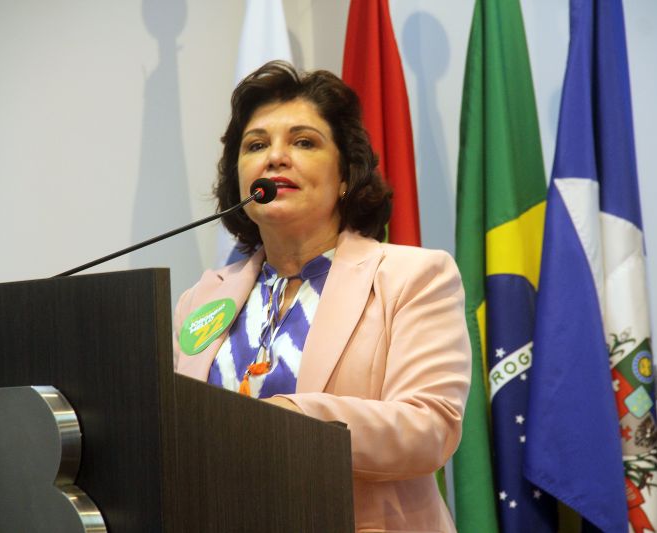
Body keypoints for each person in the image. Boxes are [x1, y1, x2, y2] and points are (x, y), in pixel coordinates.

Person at [173, 60, 471, 533]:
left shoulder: (413, 277)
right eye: (256, 145)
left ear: (346, 175)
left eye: (304, 142)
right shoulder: (201, 300)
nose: (275, 157)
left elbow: (429, 429)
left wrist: (289, 418)